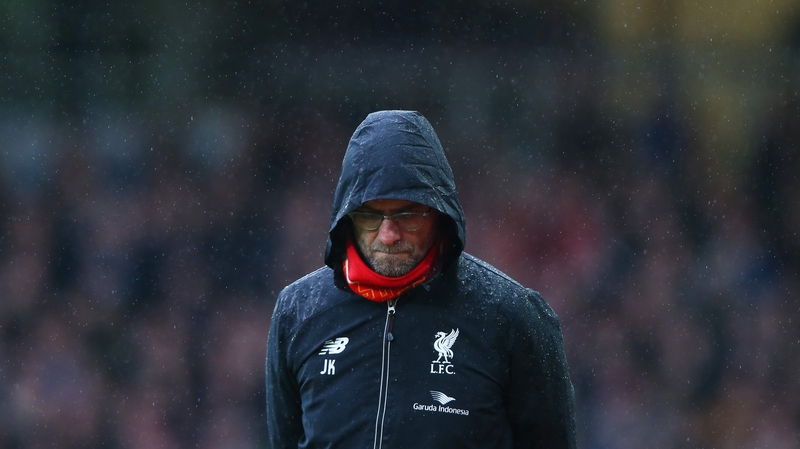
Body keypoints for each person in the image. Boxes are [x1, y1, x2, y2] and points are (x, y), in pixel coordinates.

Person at [266, 110, 576, 448]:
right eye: (370, 214)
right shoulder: (297, 312)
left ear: (440, 213)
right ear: (347, 218)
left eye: (408, 214)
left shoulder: (513, 317)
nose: (387, 235)